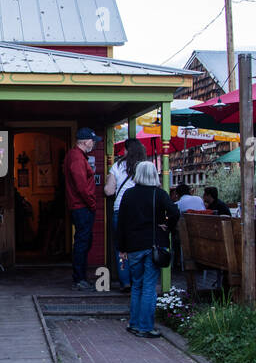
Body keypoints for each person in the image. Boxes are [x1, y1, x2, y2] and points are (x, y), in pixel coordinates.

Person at [117, 161, 178, 338]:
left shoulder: (128, 194)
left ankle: (134, 323)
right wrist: (167, 226)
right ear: (154, 175)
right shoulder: (159, 194)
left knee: (137, 285)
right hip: (154, 245)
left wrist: (121, 247)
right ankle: (145, 327)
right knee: (149, 287)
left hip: (134, 246)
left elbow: (121, 223)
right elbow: (174, 212)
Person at [105, 138, 148, 292]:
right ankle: (138, 280)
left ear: (127, 150)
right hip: (141, 211)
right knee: (139, 246)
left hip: (120, 210)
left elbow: (109, 191)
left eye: (124, 149)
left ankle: (125, 282)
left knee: (121, 248)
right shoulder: (145, 167)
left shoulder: (116, 166)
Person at [64, 127, 102, 290]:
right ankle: (79, 279)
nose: (93, 144)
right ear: (86, 141)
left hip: (79, 206)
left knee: (83, 241)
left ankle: (81, 278)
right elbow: (81, 187)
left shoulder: (75, 156)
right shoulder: (77, 158)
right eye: (92, 141)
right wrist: (92, 204)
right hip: (82, 207)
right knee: (82, 242)